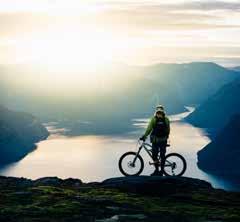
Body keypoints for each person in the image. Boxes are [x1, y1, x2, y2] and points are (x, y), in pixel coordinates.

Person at [140, 105, 170, 176]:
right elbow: (168, 129)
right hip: (163, 140)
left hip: (155, 141)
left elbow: (149, 129)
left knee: (154, 155)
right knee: (162, 155)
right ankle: (161, 171)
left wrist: (144, 136)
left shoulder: (153, 119)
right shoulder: (166, 119)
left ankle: (157, 170)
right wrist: (166, 137)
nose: (159, 113)